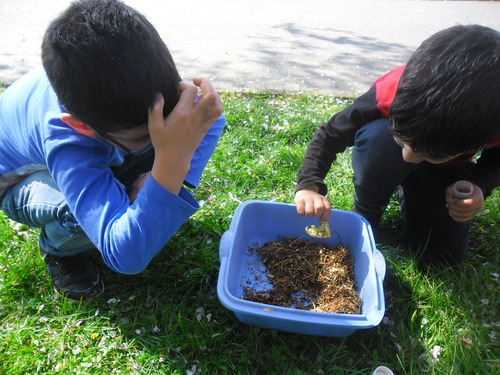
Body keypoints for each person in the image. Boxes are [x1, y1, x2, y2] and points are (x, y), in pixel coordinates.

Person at [0, 0, 225, 300]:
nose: (160, 141)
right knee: (77, 214)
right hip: (17, 181)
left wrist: (166, 179)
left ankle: (129, 175)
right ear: (81, 126)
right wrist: (170, 166)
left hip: (101, 140)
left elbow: (212, 121)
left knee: (139, 166)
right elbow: (127, 258)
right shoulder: (67, 140)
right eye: (145, 136)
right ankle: (58, 250)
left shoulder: (137, 89)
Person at [295, 25, 499, 266]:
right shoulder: (395, 88)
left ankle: (415, 191)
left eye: (429, 154)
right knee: (380, 139)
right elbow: (331, 133)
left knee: (443, 258)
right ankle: (367, 212)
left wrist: (479, 186)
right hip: (382, 149)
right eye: (402, 140)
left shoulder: (492, 120)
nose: (408, 156)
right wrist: (308, 185)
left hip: (447, 173)